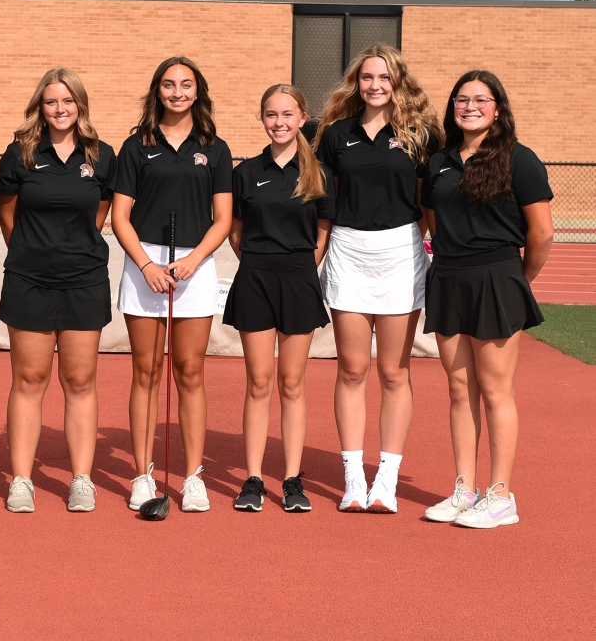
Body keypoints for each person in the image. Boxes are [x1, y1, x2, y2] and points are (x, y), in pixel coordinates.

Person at [313, 43, 444, 513]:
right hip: (348, 250)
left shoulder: (420, 133)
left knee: (393, 372)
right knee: (351, 369)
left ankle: (386, 478)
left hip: (400, 251)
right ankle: (353, 476)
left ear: (397, 81)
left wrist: (426, 243)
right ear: (356, 81)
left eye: (384, 78)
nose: (375, 85)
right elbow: (323, 201)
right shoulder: (334, 133)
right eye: (367, 77)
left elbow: (430, 201)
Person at [421, 71, 553, 528]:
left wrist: (518, 280)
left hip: (497, 278)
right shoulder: (438, 161)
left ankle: (501, 495)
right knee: (460, 390)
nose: (469, 107)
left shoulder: (521, 159)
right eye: (461, 99)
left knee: (496, 392)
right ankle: (464, 488)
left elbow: (542, 232)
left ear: (498, 107)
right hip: (449, 278)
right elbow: (432, 221)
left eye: (480, 99)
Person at [113, 56, 233, 513]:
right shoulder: (136, 146)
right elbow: (120, 216)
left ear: (197, 91)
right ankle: (142, 474)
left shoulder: (215, 148)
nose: (177, 92)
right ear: (157, 91)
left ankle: (193, 476)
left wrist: (194, 260)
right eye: (168, 85)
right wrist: (145, 264)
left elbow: (222, 219)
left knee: (190, 373)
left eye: (185, 85)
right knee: (145, 372)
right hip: (144, 265)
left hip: (193, 267)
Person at [0, 68, 116, 513]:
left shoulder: (103, 156)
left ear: (80, 105)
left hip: (84, 280)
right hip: (28, 279)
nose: (60, 109)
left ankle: (81, 479)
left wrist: (70, 253)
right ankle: (23, 480)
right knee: (29, 380)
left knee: (81, 381)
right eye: (51, 102)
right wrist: (35, 254)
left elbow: (99, 216)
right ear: (40, 106)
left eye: (68, 101)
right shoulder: (20, 154)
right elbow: (7, 219)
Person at [224, 84, 334, 512]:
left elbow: (322, 235)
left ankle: (291, 480)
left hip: (299, 280)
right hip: (255, 277)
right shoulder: (246, 171)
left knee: (292, 383)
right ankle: (252, 479)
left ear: (302, 117)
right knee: (259, 382)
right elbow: (235, 232)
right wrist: (260, 262)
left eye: (287, 114)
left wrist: (297, 268)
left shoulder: (319, 173)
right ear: (262, 119)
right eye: (271, 114)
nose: (279, 122)